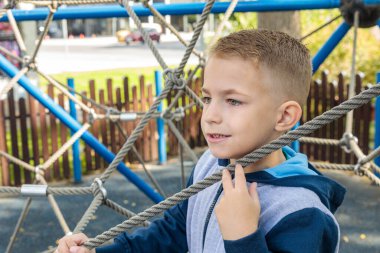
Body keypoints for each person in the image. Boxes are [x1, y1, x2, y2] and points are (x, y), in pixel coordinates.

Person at [56, 29, 345, 253]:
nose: (210, 115)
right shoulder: (210, 165)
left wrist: (243, 237)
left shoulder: (303, 213)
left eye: (233, 101)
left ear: (284, 117)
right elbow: (176, 229)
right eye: (207, 98)